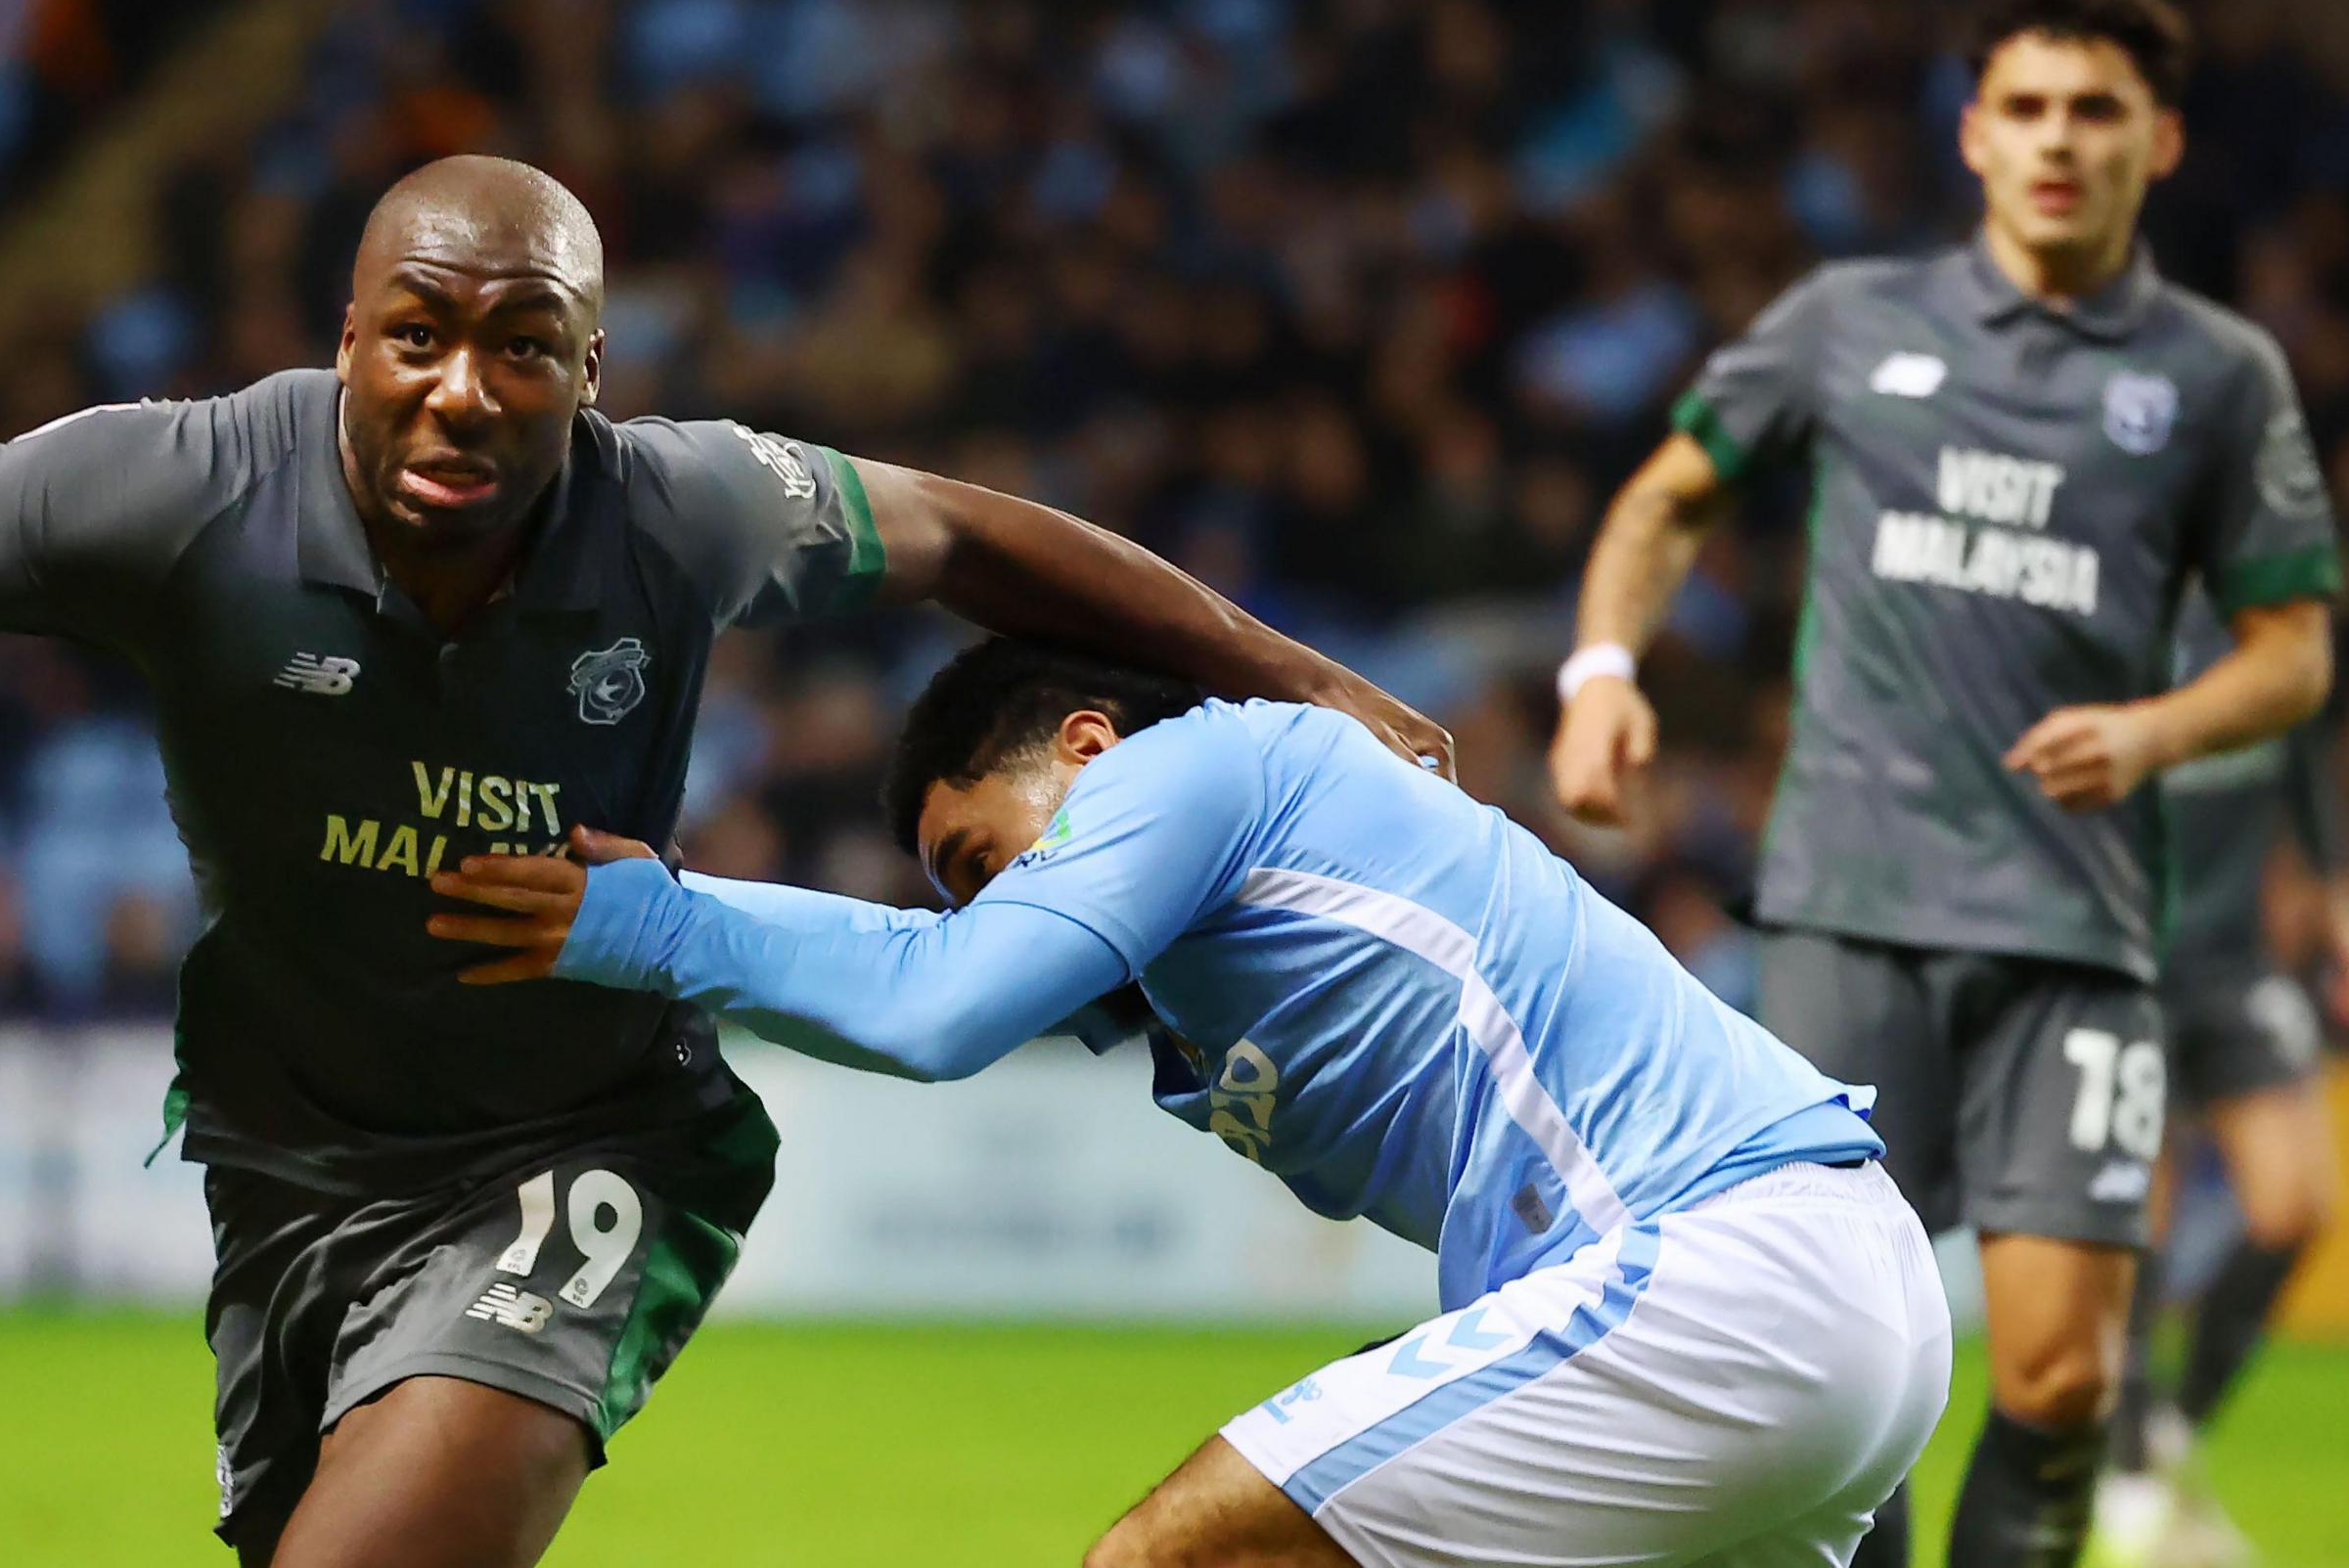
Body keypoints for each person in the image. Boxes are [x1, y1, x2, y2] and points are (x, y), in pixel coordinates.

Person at [0, 153, 1451, 1568]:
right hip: (287, 1161)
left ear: (585, 368)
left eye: (520, 348)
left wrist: (1295, 676)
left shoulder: (686, 502)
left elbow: (977, 539)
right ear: (340, 338)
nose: (463, 388)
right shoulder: (150, 486)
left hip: (579, 1137)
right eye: (417, 335)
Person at [428, 639, 1946, 1568]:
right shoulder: (1203, 979)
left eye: (981, 856)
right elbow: (924, 957)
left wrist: (650, 921)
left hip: (1717, 1265)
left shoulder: (1204, 763)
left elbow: (938, 996)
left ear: (1087, 744)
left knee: (1174, 1553)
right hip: (1826, 1305)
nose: (988, 908)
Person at [1543, 0, 2339, 1568]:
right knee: (1846, 1360)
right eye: (2028, 106)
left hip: (2080, 936)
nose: (2060, 138)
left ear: (2159, 141)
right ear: (1974, 134)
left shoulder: (2214, 377)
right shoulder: (1852, 325)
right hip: (1855, 913)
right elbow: (1664, 498)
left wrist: (2156, 727)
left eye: (2097, 109)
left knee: (2060, 1370)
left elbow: (2294, 651)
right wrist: (1603, 668)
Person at [2088, 610, 2341, 1568]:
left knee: (2296, 1203)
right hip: (2124, 959)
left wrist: (2331, 884)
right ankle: (2126, 1475)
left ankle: (2170, 1421)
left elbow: (2303, 755)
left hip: (2236, 960)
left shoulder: (2271, 628)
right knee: (2134, 1217)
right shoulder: (2118, 608)